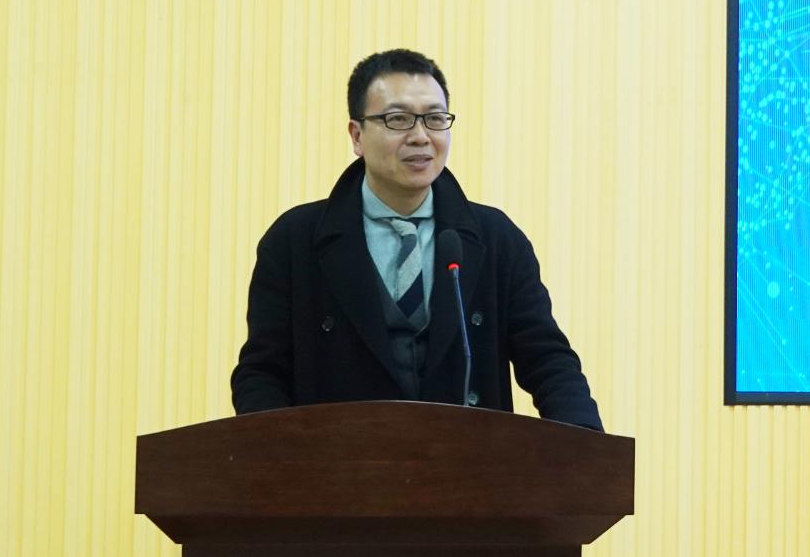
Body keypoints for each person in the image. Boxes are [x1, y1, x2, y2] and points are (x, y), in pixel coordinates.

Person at [230, 49, 602, 430]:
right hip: (340, 458)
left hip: (467, 458)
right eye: (399, 119)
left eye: (435, 119)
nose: (421, 137)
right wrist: (281, 453)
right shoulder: (293, 241)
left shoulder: (496, 238)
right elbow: (261, 374)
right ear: (357, 136)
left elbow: (548, 361)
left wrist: (589, 447)